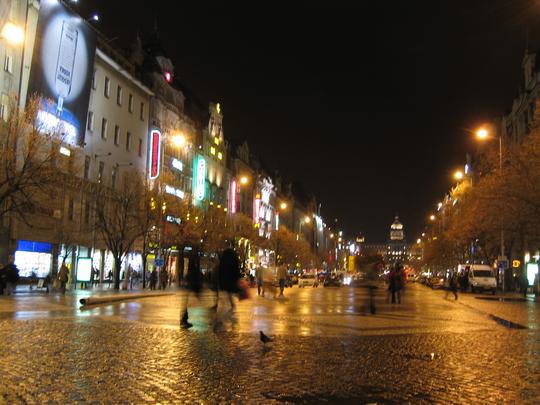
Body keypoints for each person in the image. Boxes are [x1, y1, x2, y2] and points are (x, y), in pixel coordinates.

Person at [215, 246, 241, 324]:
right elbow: (236, 275)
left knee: (225, 303)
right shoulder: (234, 262)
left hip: (223, 286)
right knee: (230, 304)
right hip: (231, 286)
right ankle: (224, 319)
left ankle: (222, 318)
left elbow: (219, 275)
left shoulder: (222, 263)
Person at [180, 248, 203, 328]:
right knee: (185, 304)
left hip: (187, 285)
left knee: (185, 304)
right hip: (188, 285)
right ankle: (183, 320)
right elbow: (193, 274)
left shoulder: (191, 263)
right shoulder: (193, 264)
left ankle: (184, 320)